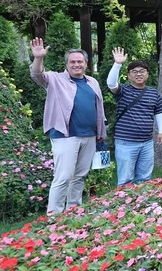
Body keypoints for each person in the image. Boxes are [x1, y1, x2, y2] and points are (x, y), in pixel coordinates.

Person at [29, 38, 107, 215]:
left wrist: (101, 132)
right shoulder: (55, 79)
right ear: (67, 64)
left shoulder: (92, 82)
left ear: (86, 64)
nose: (76, 64)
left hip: (89, 136)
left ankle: (73, 211)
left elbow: (99, 109)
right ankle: (54, 216)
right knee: (63, 176)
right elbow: (37, 75)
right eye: (72, 61)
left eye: (80, 61)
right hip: (65, 136)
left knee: (79, 176)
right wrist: (38, 58)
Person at [107, 48, 162, 186]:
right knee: (125, 180)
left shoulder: (153, 93)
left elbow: (158, 112)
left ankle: (141, 205)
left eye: (142, 71)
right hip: (125, 143)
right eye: (134, 72)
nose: (138, 74)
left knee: (145, 179)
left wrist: (161, 131)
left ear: (147, 74)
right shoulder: (123, 90)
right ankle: (122, 205)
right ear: (128, 75)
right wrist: (117, 64)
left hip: (146, 143)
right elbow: (111, 84)